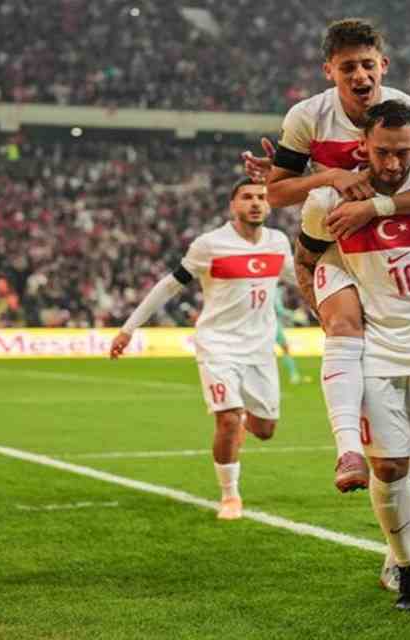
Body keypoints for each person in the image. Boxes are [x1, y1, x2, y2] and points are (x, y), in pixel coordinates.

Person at [245, 18, 410, 494]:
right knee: (343, 328)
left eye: (368, 65)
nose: (360, 76)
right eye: (348, 68)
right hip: (339, 245)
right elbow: (276, 192)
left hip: (407, 245)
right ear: (329, 70)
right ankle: (347, 450)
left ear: (383, 64)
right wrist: (330, 177)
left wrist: (376, 204)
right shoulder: (307, 116)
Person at [294, 100, 410, 622]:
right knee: (392, 466)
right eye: (383, 152)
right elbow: (308, 256)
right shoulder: (330, 199)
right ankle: (407, 564)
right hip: (380, 352)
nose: (394, 163)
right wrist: (325, 307)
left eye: (403, 152)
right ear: (363, 147)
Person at [110, 179, 294, 521]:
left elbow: (302, 280)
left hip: (260, 350)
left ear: (269, 206)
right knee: (227, 420)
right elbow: (169, 286)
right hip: (218, 345)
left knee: (266, 430)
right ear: (232, 205)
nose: (255, 203)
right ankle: (230, 497)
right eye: (247, 197)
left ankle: (240, 419)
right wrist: (128, 329)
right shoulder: (210, 245)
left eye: (262, 198)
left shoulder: (279, 242)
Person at [274, 288, 306, 384]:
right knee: (285, 349)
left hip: (257, 326)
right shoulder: (274, 290)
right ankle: (294, 375)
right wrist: (294, 315)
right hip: (273, 324)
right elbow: (279, 310)